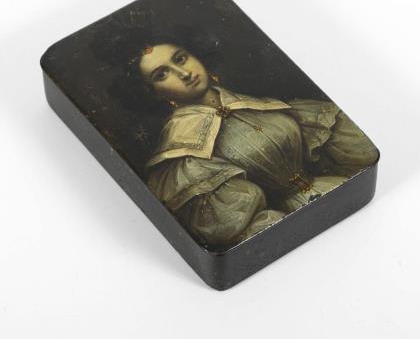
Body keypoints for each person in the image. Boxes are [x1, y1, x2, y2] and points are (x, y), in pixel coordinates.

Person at [134, 42, 378, 247]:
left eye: (181, 59)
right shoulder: (181, 154)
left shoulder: (258, 104)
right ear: (155, 93)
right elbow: (241, 226)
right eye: (162, 74)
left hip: (352, 208)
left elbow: (359, 156)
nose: (184, 73)